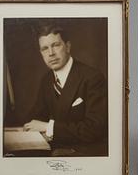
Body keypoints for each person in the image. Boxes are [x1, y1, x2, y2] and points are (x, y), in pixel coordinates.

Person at [23, 22, 108, 156]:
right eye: (45, 48)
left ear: (67, 47)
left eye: (56, 45)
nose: (51, 53)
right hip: (56, 148)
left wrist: (47, 127)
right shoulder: (46, 80)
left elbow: (94, 129)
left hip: (86, 152)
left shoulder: (92, 77)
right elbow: (35, 117)